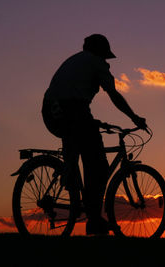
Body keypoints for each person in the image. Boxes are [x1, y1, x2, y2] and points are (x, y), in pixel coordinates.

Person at [42, 34, 147, 235]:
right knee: (98, 165)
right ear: (101, 53)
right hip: (71, 110)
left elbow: (71, 96)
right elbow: (114, 95)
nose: (106, 60)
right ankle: (94, 218)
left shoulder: (74, 60)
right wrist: (134, 118)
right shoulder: (97, 63)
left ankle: (71, 180)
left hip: (51, 111)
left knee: (78, 149)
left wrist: (92, 121)